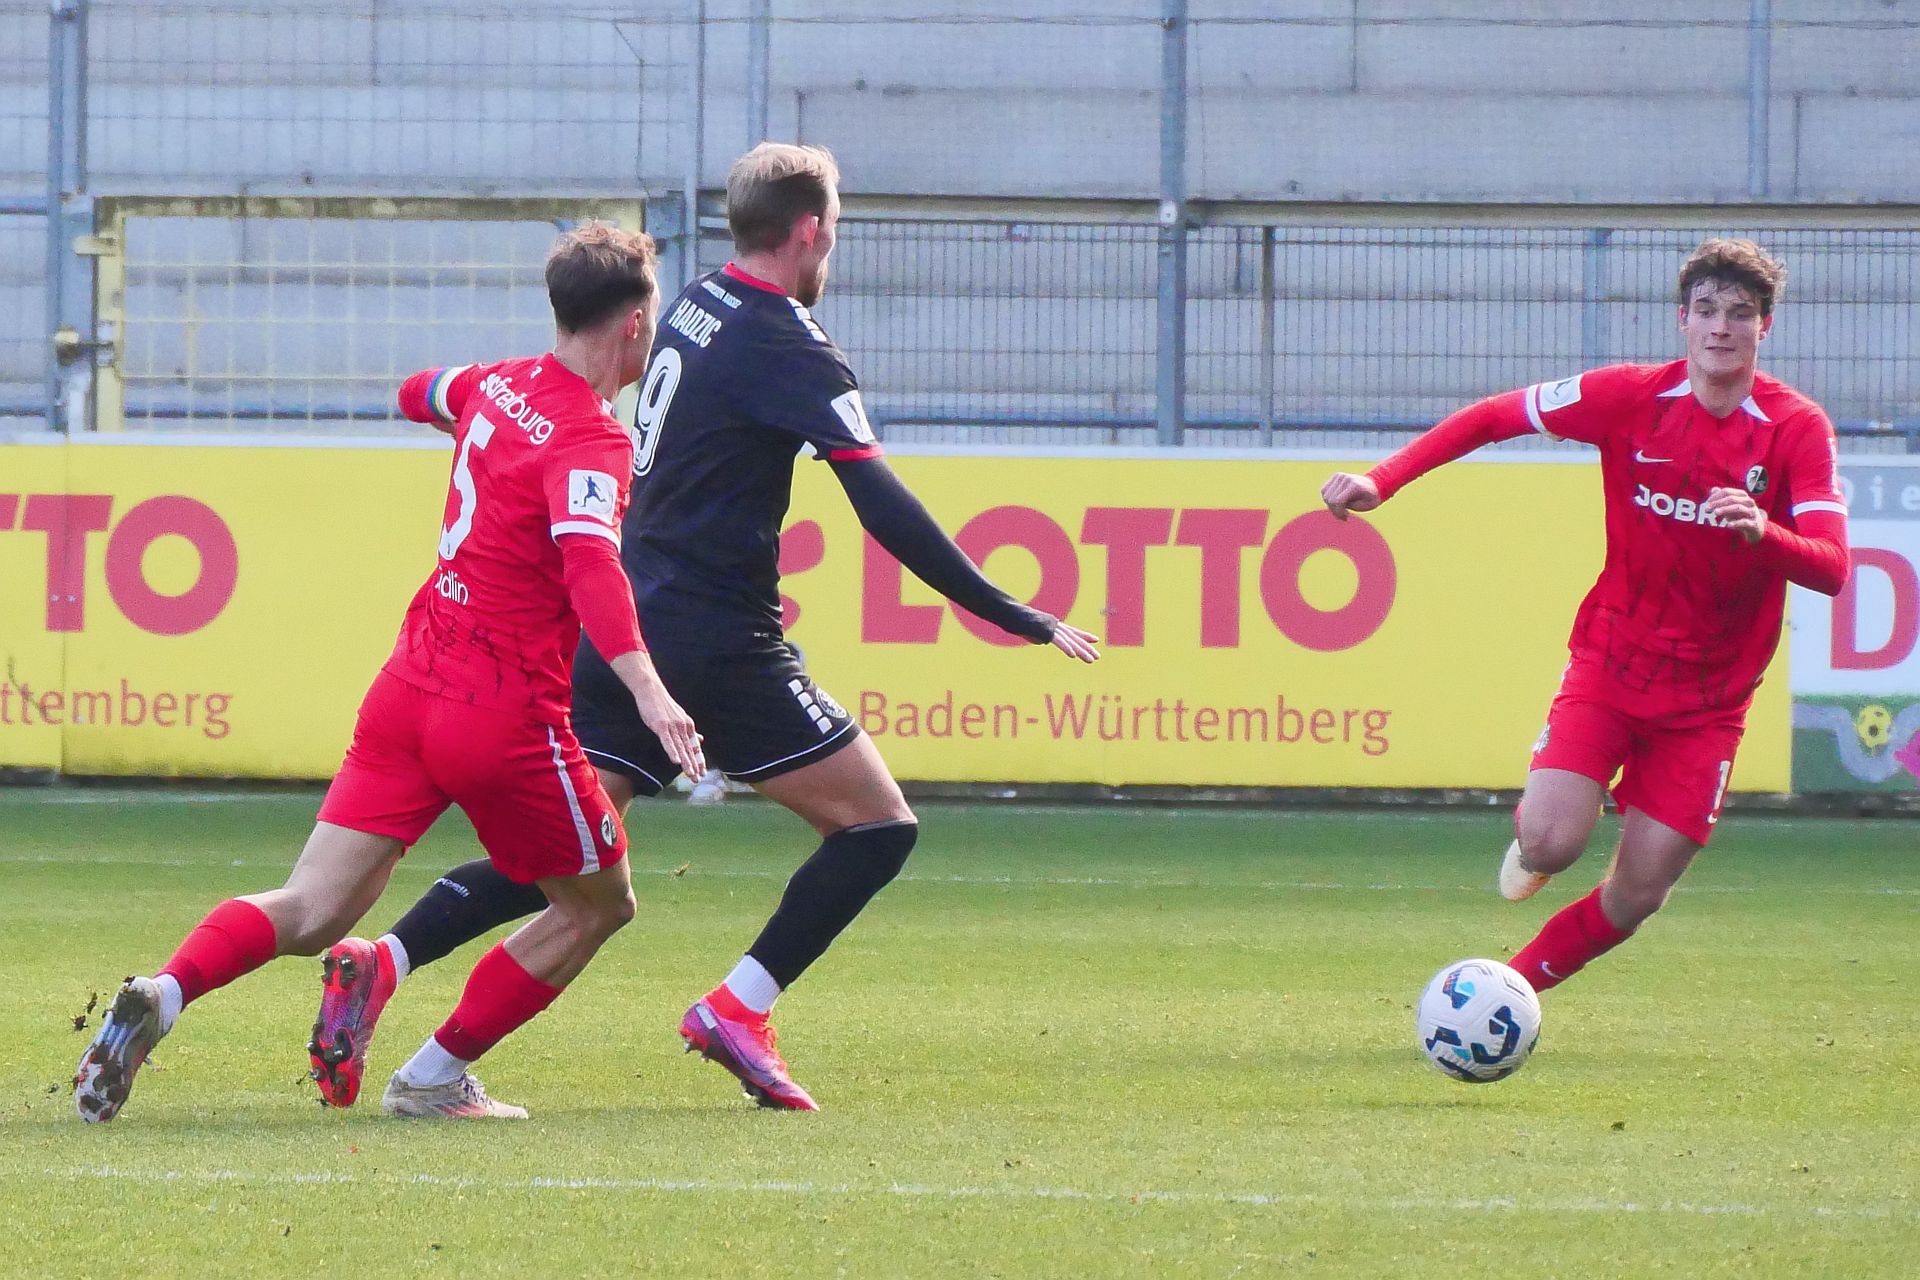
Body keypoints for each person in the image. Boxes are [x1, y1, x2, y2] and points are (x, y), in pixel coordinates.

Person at [307, 141, 1101, 1113]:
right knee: (877, 827)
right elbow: (880, 503)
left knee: (568, 849)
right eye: (833, 228)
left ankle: (388, 967)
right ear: (810, 230)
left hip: (623, 624)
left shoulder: (691, 301)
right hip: (718, 644)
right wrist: (1006, 609)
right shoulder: (788, 342)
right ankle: (739, 1005)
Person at [75, 223, 704, 1123]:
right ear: (635, 324)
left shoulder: (494, 385)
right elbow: (592, 564)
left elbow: (416, 391)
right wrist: (649, 690)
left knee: (311, 906)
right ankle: (433, 1077)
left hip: (409, 687)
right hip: (504, 717)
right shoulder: (589, 438)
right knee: (600, 904)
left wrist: (468, 417)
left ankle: (165, 992)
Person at [1321, 238, 1849, 996]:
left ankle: (1507, 993)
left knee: (1637, 895)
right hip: (1613, 664)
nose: (1720, 328)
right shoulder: (1629, 395)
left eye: (1740, 313)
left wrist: (1764, 533)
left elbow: (1831, 568)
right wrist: (1384, 479)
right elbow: (1495, 416)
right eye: (1706, 310)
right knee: (1550, 843)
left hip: (1710, 703)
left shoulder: (1796, 427)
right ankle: (1534, 855)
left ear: (1764, 327)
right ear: (1682, 320)